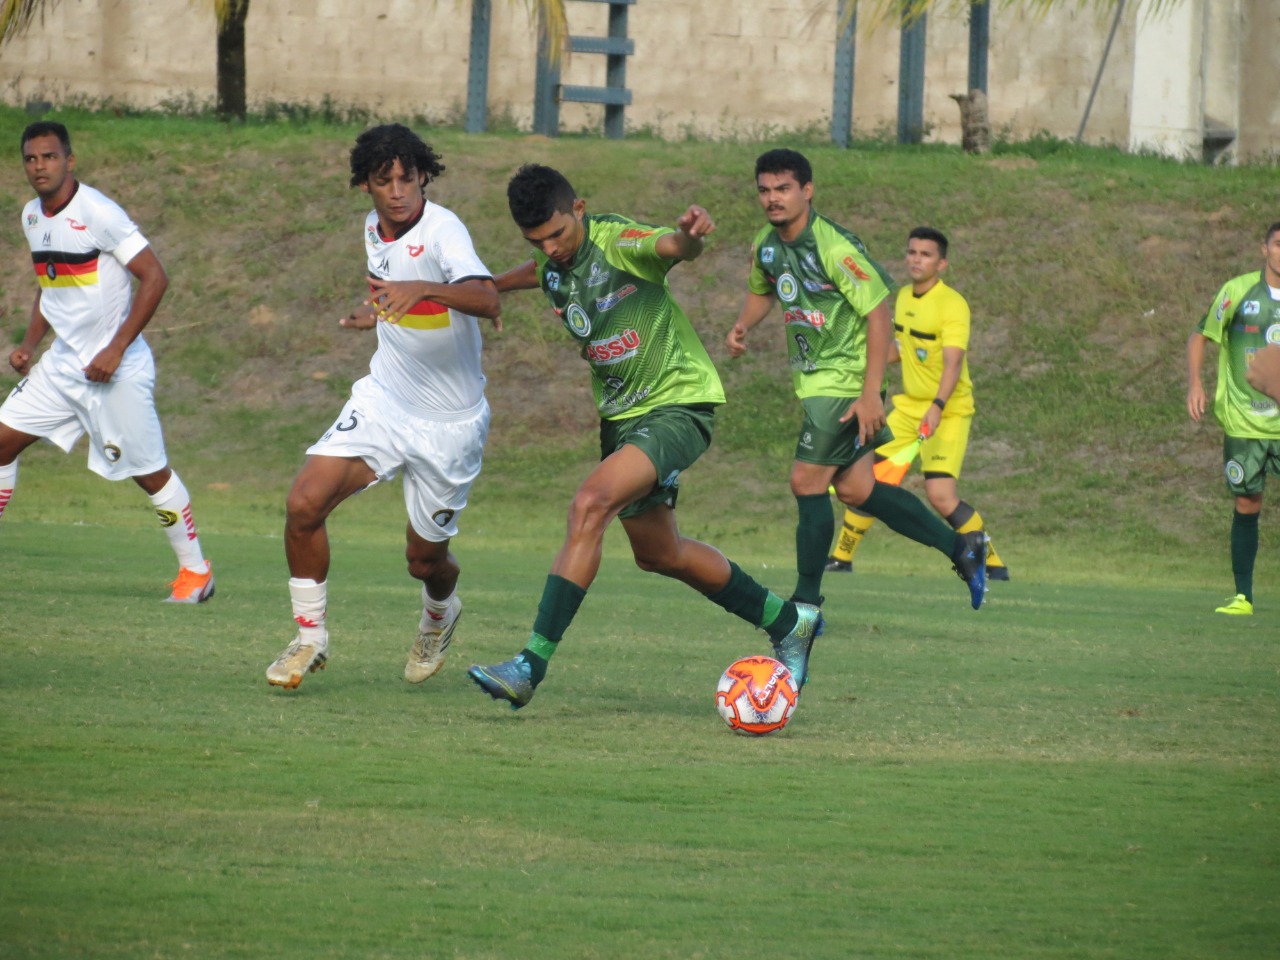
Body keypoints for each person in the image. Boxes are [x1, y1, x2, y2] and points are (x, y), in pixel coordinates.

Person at [467, 163, 821, 710]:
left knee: (589, 504)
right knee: (661, 553)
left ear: (579, 209)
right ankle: (788, 620)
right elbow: (525, 276)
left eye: (559, 234)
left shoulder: (618, 243)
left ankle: (529, 665)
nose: (552, 248)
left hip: (679, 403)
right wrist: (446, 291)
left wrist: (688, 235)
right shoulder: (552, 265)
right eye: (537, 241)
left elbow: (669, 247)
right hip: (623, 419)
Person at [265, 124, 499, 689]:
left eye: (406, 178)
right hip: (387, 400)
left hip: (450, 424)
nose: (397, 191)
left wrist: (424, 288)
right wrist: (378, 314)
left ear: (423, 176)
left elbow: (487, 299)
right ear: (365, 185)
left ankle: (439, 616)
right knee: (303, 504)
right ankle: (308, 639)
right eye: (383, 180)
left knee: (424, 561)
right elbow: (395, 291)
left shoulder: (444, 231)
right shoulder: (372, 227)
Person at [725, 149, 986, 613]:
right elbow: (764, 288)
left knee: (806, 482)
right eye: (764, 189)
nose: (772, 198)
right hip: (814, 380)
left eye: (783, 189)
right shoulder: (766, 243)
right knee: (856, 490)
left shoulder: (835, 247)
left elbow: (878, 315)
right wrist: (744, 325)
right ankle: (962, 548)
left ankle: (804, 607)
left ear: (807, 191)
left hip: (845, 380)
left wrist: (870, 394)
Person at [1, 121, 214, 603]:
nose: (40, 166)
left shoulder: (99, 212)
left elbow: (155, 276)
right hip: (60, 369)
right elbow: (49, 282)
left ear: (69, 161)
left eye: (50, 157)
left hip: (114, 372)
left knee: (149, 472)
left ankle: (196, 572)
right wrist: (31, 345)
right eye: (31, 159)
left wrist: (115, 349)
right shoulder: (32, 216)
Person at [825, 227, 1009, 580]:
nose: (916, 259)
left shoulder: (952, 304)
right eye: (911, 252)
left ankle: (992, 562)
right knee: (867, 478)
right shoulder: (905, 297)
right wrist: (859, 361)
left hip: (949, 409)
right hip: (908, 407)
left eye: (925, 254)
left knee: (940, 496)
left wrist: (938, 405)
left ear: (942, 264)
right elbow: (901, 351)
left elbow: (953, 362)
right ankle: (841, 558)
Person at [1185, 220, 1280, 617]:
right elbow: (1200, 335)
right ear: (1264, 249)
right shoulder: (1238, 291)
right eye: (1278, 244)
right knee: (1246, 502)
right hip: (1245, 424)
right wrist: (1195, 383)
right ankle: (1243, 597)